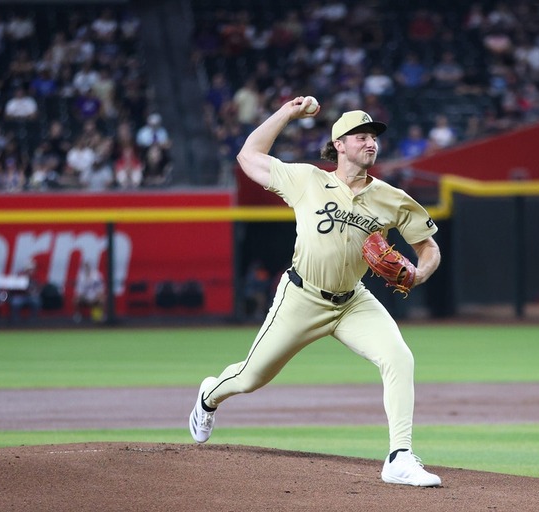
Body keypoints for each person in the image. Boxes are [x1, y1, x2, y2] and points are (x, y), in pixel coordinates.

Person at [189, 97, 443, 487]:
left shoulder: (392, 198)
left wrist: (418, 273)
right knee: (251, 377)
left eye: (373, 137)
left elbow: (428, 248)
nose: (370, 142)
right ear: (339, 145)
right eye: (360, 136)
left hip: (353, 301)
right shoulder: (306, 179)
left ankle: (400, 457)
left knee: (399, 357)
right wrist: (288, 113)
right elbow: (248, 156)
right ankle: (210, 395)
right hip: (301, 298)